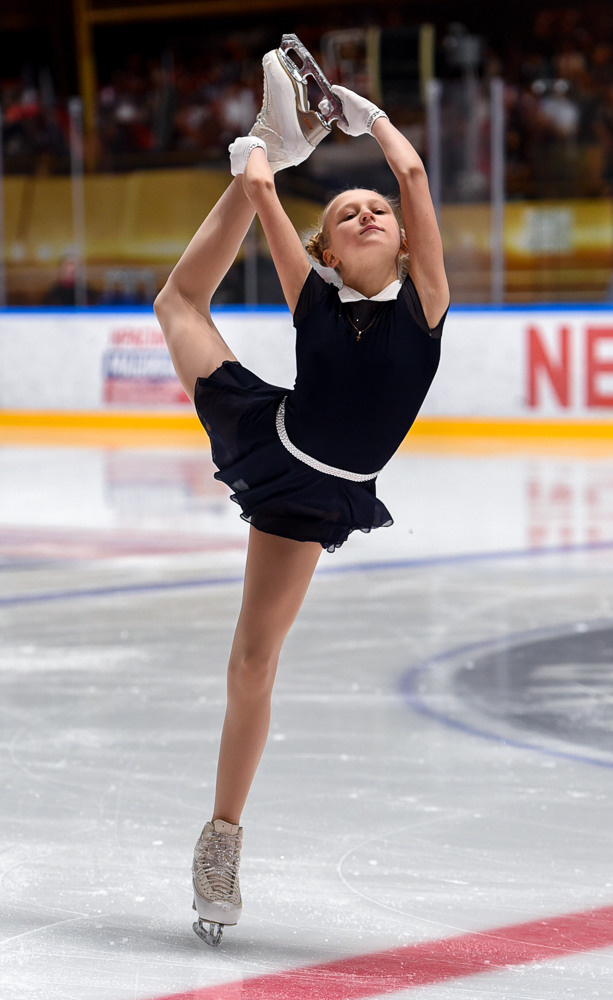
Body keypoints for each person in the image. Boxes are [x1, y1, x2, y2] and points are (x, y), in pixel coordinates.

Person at [153, 42, 450, 947]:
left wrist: (369, 120)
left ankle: (220, 836)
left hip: (323, 494)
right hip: (273, 444)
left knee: (255, 661)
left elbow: (410, 170)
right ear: (326, 249)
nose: (366, 210)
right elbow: (262, 209)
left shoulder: (426, 304)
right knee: (176, 305)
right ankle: (222, 841)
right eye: (347, 211)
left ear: (402, 237)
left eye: (377, 210)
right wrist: (261, 167)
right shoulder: (312, 299)